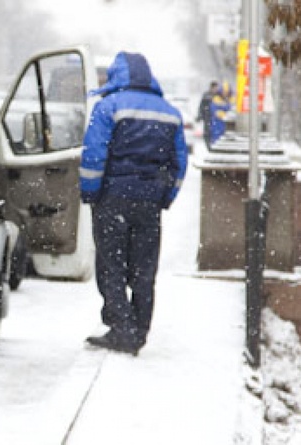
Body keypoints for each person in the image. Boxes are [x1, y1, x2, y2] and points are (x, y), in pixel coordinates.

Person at [79, 51, 188, 355]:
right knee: (144, 268)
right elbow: (180, 163)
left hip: (113, 198)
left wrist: (90, 192)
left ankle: (121, 328)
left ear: (117, 76)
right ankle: (139, 329)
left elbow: (94, 155)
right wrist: (165, 196)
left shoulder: (109, 107)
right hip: (150, 203)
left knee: (111, 265)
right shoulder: (170, 112)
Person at [196, 81, 218, 149]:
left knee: (214, 132)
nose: (215, 89)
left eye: (216, 88)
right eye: (214, 88)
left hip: (216, 118)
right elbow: (201, 106)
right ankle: (209, 146)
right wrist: (200, 115)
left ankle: (213, 145)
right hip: (207, 117)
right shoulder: (206, 95)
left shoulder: (218, 96)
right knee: (207, 133)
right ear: (211, 87)